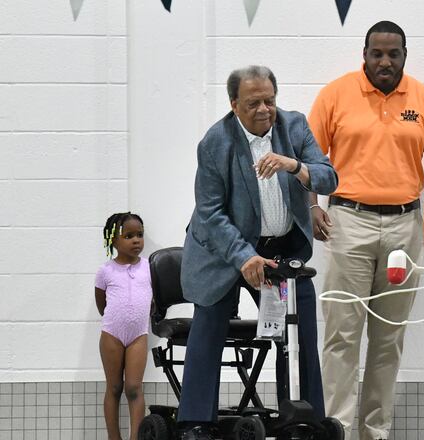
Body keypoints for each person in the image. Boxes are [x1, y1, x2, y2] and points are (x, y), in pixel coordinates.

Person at [308, 20, 424, 440]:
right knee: (341, 335)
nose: (385, 61)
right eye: (377, 53)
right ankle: (336, 428)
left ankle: (376, 432)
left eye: (393, 54)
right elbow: (307, 159)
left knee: (388, 339)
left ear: (404, 57)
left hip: (404, 227)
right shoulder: (335, 95)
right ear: (365, 55)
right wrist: (311, 207)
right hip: (348, 221)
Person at [176, 65, 338, 440]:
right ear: (234, 104)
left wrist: (294, 166)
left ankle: (306, 417)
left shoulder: (293, 127)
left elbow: (329, 176)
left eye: (270, 100)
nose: (265, 109)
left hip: (279, 249)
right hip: (222, 249)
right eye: (253, 103)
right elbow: (210, 212)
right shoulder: (216, 142)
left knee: (300, 329)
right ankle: (195, 422)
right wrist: (243, 257)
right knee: (210, 322)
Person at [94, 212, 150, 440]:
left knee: (134, 388)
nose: (136, 240)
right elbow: (102, 305)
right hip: (112, 334)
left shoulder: (149, 267)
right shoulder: (105, 271)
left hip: (138, 335)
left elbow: (154, 300)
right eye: (128, 236)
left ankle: (135, 437)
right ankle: (113, 437)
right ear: (113, 240)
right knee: (114, 388)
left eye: (139, 235)